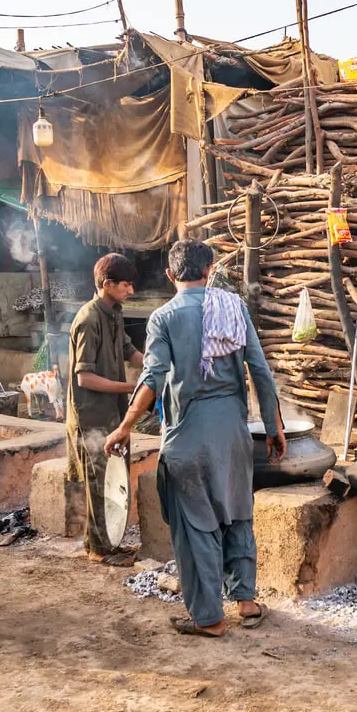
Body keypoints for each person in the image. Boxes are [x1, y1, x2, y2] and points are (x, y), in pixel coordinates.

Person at [105, 240, 286, 638]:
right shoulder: (233, 307)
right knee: (238, 513)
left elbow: (152, 378)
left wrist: (125, 427)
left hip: (188, 438)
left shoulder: (164, 318)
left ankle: (209, 618)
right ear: (210, 270)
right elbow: (260, 371)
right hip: (234, 435)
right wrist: (274, 429)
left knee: (196, 527)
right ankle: (247, 602)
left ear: (170, 276)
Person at [67, 253, 145, 567]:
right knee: (99, 484)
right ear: (107, 284)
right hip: (92, 417)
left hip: (113, 414)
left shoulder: (113, 313)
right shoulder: (88, 319)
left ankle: (110, 543)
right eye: (125, 285)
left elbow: (128, 350)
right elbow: (84, 377)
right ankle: (99, 549)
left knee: (115, 481)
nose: (130, 290)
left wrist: (154, 365)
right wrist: (133, 388)